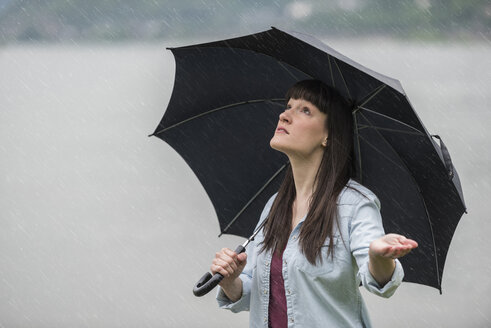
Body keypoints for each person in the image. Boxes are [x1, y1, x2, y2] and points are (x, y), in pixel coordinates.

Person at [210, 79, 418, 327]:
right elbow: (257, 293)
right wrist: (230, 280)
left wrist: (379, 256)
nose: (284, 115)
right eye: (288, 106)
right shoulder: (273, 206)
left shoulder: (355, 204)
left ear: (328, 137)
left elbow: (379, 282)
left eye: (305, 110)